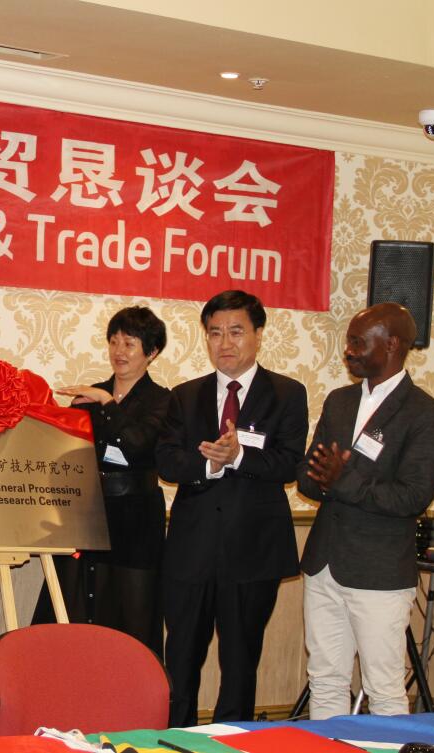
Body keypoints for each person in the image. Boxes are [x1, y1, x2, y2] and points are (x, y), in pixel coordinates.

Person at [155, 289, 308, 727]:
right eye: (215, 333)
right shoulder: (185, 396)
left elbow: (289, 463)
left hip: (252, 551)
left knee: (240, 662)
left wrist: (240, 456)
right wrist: (210, 464)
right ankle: (175, 738)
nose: (225, 342)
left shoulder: (286, 393)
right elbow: (167, 461)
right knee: (181, 657)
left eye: (236, 331)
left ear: (258, 334)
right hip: (192, 550)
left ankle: (232, 739)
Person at [297, 302, 434, 720]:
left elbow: (413, 497)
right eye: (348, 342)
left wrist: (342, 480)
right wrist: (321, 478)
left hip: (379, 572)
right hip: (324, 565)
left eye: (358, 342)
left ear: (392, 344)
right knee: (325, 679)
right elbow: (309, 476)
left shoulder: (426, 414)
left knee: (383, 689)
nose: (348, 351)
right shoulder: (339, 401)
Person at [31, 306, 172, 655]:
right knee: (74, 611)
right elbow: (66, 452)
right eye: (114, 342)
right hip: (88, 514)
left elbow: (137, 445)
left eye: (129, 343)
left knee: (132, 617)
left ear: (152, 352)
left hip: (136, 520)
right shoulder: (88, 395)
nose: (119, 351)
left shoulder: (162, 399)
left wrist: (107, 403)